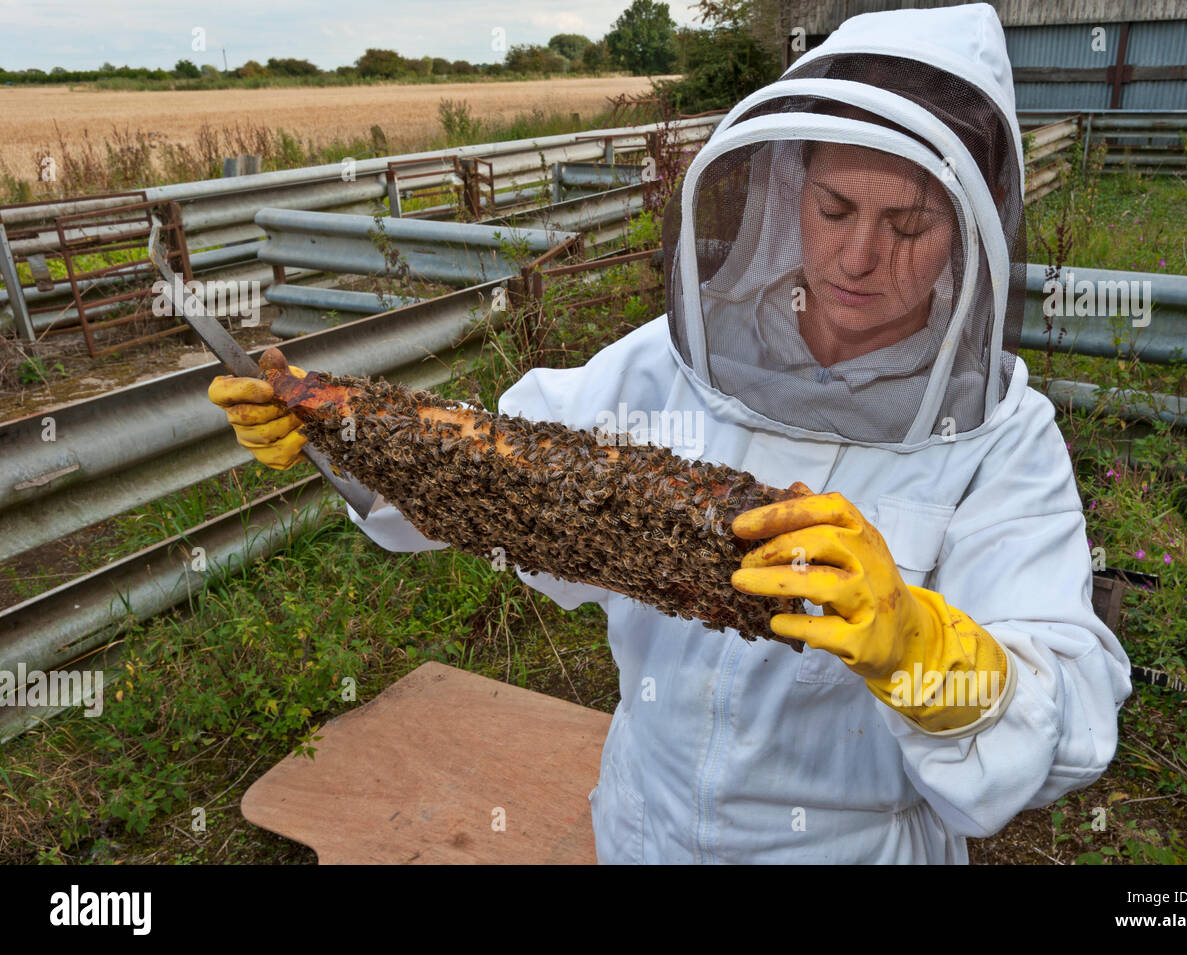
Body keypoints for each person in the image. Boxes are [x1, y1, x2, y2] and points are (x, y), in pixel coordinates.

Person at [208, 2, 1132, 863]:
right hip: (641, 826)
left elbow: (1071, 718)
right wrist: (342, 436)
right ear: (785, 188)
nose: (858, 257)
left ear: (969, 234)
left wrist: (926, 650)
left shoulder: (1000, 438)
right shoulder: (671, 360)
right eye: (835, 209)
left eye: (908, 224)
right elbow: (494, 478)